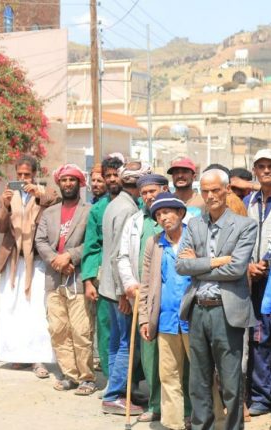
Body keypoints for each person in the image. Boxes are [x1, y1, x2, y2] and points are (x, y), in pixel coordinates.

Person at [176, 169, 257, 430]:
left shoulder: (245, 225)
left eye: (215, 190)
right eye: (205, 191)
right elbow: (181, 266)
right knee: (198, 381)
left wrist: (197, 265)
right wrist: (215, 261)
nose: (210, 196)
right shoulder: (194, 224)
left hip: (227, 311)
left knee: (231, 382)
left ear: (227, 190)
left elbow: (236, 269)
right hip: (198, 310)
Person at [0, 155, 59, 376]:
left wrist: (37, 193)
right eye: (19, 174)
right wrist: (4, 206)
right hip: (13, 261)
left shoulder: (44, 193)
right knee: (13, 309)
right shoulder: (9, 195)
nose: (23, 179)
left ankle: (38, 358)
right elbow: (0, 227)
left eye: (27, 175)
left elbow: (54, 201)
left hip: (37, 262)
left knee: (37, 311)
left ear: (34, 174)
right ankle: (18, 355)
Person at [35, 164, 95, 394]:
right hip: (54, 279)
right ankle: (70, 375)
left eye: (72, 180)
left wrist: (70, 256)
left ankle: (87, 377)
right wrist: (56, 260)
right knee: (58, 329)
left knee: (81, 330)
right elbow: (40, 241)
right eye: (64, 180)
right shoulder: (49, 212)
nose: (68, 183)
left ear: (80, 183)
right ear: (58, 183)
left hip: (78, 278)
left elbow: (93, 242)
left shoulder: (89, 211)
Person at [116, 173, 169, 422]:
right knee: (149, 354)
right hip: (144, 296)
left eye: (152, 191)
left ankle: (182, 408)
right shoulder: (135, 221)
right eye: (144, 193)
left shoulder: (180, 216)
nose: (148, 196)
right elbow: (123, 256)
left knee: (175, 355)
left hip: (171, 297)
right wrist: (129, 284)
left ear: (164, 190)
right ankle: (155, 405)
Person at [100, 160, 151, 415]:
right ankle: (114, 395)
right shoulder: (127, 209)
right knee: (127, 345)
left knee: (116, 343)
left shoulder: (116, 203)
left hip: (110, 287)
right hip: (119, 289)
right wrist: (124, 292)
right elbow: (117, 255)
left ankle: (119, 389)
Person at [139, 193, 191, 430]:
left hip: (194, 317)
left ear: (180, 213)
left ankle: (207, 420)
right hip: (166, 318)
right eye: (158, 214)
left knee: (202, 374)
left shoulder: (196, 237)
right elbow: (146, 283)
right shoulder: (154, 242)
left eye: (167, 212)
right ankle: (174, 423)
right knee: (168, 375)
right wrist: (144, 318)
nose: (163, 218)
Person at [82, 155, 125, 381]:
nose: (112, 179)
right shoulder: (97, 209)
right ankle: (112, 381)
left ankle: (131, 382)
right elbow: (91, 246)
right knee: (107, 329)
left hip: (132, 279)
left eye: (116, 175)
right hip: (105, 280)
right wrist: (89, 281)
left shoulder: (136, 204)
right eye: (108, 175)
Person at [245, 149, 271, 416]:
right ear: (254, 170)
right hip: (256, 283)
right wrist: (248, 266)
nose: (266, 170)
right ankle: (262, 397)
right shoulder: (249, 202)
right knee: (259, 339)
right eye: (261, 166)